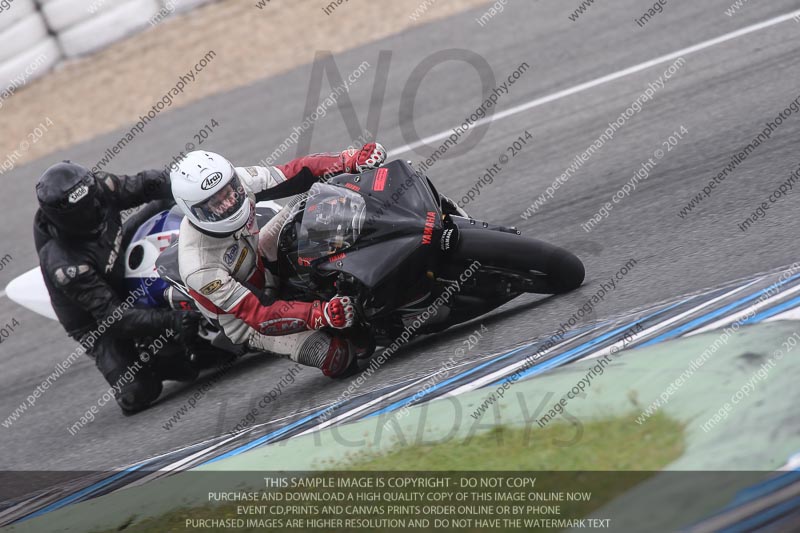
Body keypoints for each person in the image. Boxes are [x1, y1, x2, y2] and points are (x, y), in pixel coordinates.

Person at [171, 144, 386, 377]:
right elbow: (259, 312)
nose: (230, 203)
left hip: (260, 258)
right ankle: (339, 327)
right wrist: (321, 313)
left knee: (310, 199)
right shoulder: (198, 266)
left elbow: (295, 172)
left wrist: (348, 160)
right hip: (249, 323)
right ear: (194, 211)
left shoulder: (239, 181)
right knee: (338, 357)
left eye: (228, 192)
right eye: (216, 204)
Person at [35, 162, 202, 414]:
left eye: (93, 200)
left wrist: (199, 187)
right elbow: (113, 319)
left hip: (116, 252)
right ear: (63, 218)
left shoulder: (100, 187)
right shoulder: (65, 262)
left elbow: (148, 182)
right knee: (137, 392)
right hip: (97, 321)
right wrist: (172, 320)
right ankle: (158, 357)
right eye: (83, 211)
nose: (95, 209)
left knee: (172, 199)